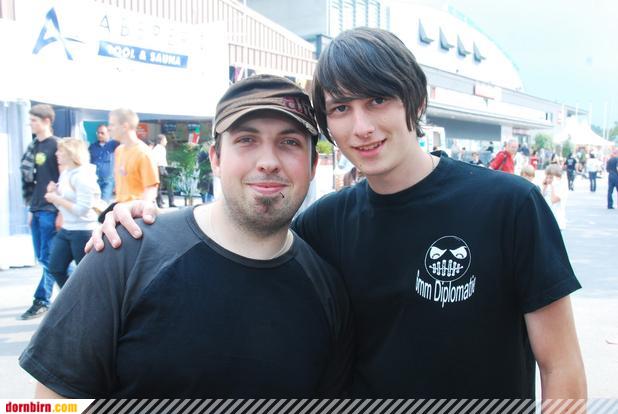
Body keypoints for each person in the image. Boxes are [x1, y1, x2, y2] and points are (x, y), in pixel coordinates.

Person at [91, 28, 586, 399]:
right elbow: (238, 232)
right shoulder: (321, 224)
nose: (361, 126)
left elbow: (560, 366)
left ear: (414, 101)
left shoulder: (509, 205)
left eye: (378, 100)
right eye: (341, 108)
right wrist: (143, 219)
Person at [20, 75, 353, 398]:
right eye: (246, 140)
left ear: (313, 166)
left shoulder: (326, 289)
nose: (268, 162)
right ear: (216, 159)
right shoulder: (126, 252)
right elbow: (49, 402)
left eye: (289, 142)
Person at [19, 104, 60, 320]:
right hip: (36, 208)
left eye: (34, 120)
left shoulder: (57, 145)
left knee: (50, 259)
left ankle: (43, 299)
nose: (30, 124)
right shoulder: (34, 146)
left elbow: (64, 180)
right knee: (44, 259)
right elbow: (33, 180)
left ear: (46, 121)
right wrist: (30, 208)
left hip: (51, 209)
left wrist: (61, 212)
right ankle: (75, 286)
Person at [45, 138, 101, 288]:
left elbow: (82, 209)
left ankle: (85, 298)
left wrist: (56, 198)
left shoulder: (83, 176)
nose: (56, 154)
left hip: (84, 230)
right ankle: (73, 297)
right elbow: (64, 203)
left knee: (86, 274)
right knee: (55, 268)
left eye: (60, 151)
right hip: (67, 228)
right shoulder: (66, 173)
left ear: (71, 153)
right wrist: (54, 194)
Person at [108, 108, 159, 204]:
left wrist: (141, 208)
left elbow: (151, 188)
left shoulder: (143, 153)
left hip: (135, 210)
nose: (109, 128)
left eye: (112, 125)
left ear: (125, 126)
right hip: (120, 208)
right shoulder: (119, 151)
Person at [88, 124, 119, 202]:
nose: (99, 135)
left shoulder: (114, 144)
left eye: (102, 133)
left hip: (107, 181)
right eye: (98, 133)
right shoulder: (92, 147)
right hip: (95, 180)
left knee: (104, 203)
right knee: (94, 203)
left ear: (108, 133)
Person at [152, 134, 176, 208]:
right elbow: (157, 160)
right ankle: (170, 202)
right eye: (165, 140)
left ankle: (161, 203)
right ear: (161, 140)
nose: (166, 141)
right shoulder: (159, 148)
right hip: (160, 168)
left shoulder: (158, 148)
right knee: (166, 186)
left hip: (161, 168)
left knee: (161, 187)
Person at [542, 165, 568, 230]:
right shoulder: (548, 187)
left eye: (551, 178)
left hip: (557, 221)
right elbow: (541, 200)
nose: (548, 180)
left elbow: (553, 200)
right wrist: (544, 187)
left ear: (559, 177)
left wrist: (552, 186)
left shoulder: (562, 188)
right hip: (546, 220)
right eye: (547, 177)